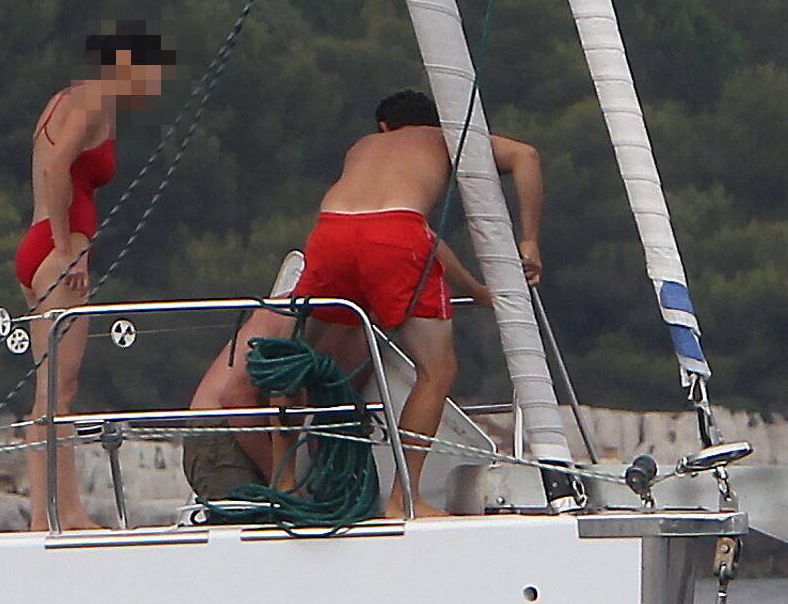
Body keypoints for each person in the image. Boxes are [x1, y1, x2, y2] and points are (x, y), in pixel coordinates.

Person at [188, 90, 544, 517]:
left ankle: (284, 481)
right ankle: (404, 497)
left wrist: (477, 290)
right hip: (397, 234)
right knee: (438, 370)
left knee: (295, 360)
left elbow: (390, 230)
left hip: (331, 231)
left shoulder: (362, 148)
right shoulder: (444, 139)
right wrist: (529, 242)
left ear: (383, 127)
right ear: (434, 122)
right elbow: (527, 156)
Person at [18, 22, 173, 532]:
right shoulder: (89, 104)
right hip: (58, 253)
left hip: (40, 248)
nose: (153, 85)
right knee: (58, 392)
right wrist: (68, 249)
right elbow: (55, 170)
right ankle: (59, 513)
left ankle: (50, 511)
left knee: (52, 388)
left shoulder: (68, 99)